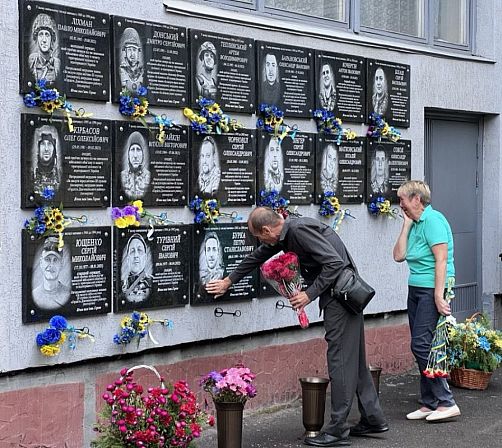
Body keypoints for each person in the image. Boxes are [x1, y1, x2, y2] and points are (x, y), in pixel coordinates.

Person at [206, 207, 388, 446]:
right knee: (354, 361)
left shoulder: (298, 231)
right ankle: (373, 418)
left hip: (340, 299)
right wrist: (228, 281)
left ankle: (337, 431)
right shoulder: (286, 232)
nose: (261, 242)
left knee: (341, 362)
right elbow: (258, 256)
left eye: (260, 237)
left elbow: (334, 263)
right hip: (342, 296)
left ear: (267, 230)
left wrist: (308, 295)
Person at [393, 180, 461, 422]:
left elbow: (441, 260)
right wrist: (406, 225)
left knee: (421, 344)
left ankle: (446, 401)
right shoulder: (415, 223)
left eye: (403, 199)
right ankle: (429, 402)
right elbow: (398, 256)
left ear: (416, 199)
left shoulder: (433, 221)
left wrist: (438, 295)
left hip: (432, 288)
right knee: (425, 345)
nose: (400, 204)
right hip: (416, 288)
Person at [32, 236, 71, 310]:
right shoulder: (35, 295)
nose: (51, 265)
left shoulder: (68, 294)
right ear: (41, 262)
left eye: (55, 260)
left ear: (61, 264)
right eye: (47, 259)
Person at [28, 13, 60, 82]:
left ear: (52, 38)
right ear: (36, 38)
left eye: (47, 35)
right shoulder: (32, 62)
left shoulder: (57, 64)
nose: (44, 40)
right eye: (41, 34)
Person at [121, 233, 153, 303]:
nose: (136, 255)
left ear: (145, 258)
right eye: (132, 251)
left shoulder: (152, 282)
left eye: (139, 250)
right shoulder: (122, 285)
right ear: (128, 259)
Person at [120, 131, 151, 200]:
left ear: (143, 154)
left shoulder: (149, 176)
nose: (135, 156)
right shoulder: (122, 175)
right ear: (128, 154)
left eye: (138, 150)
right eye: (132, 150)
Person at [32, 125, 61, 195]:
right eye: (43, 144)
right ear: (38, 148)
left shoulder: (59, 175)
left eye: (49, 144)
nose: (46, 149)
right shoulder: (31, 174)